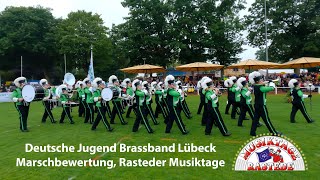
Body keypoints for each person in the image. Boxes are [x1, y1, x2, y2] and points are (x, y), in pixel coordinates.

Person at [249, 71, 281, 136]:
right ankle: (274, 132)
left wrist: (267, 82)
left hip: (256, 105)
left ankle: (252, 132)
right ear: (257, 81)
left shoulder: (255, 86)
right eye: (261, 80)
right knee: (267, 120)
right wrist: (272, 82)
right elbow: (272, 88)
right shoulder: (261, 88)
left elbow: (261, 84)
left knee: (255, 120)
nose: (262, 80)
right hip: (261, 105)